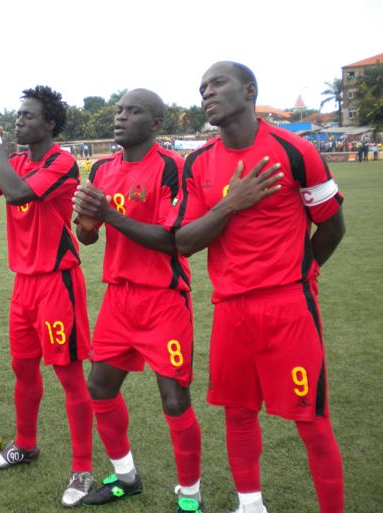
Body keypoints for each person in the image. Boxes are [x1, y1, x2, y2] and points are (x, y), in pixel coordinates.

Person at [171, 61, 345, 513]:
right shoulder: (198, 161)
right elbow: (184, 242)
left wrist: (300, 275)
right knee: (238, 411)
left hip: (287, 306)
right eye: (202, 85)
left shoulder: (295, 151)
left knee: (311, 419)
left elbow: (332, 227)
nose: (207, 92)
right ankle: (250, 504)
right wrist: (233, 202)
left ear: (249, 91)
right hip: (230, 309)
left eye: (217, 83)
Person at [0, 86, 93, 507]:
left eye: (28, 116)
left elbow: (18, 193)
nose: (19, 122)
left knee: (69, 376)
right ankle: (26, 444)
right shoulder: (14, 160)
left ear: (50, 124)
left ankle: (83, 469)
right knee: (23, 369)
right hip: (24, 285)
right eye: (16, 116)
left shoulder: (62, 161)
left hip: (58, 282)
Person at [73, 89, 203, 512]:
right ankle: (126, 476)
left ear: (156, 123)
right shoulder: (102, 167)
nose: (121, 117)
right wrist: (89, 220)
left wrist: (109, 214)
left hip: (163, 299)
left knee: (174, 399)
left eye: (134, 111)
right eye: (119, 110)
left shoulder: (173, 168)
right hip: (119, 298)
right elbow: (87, 235)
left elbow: (172, 241)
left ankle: (189, 494)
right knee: (100, 387)